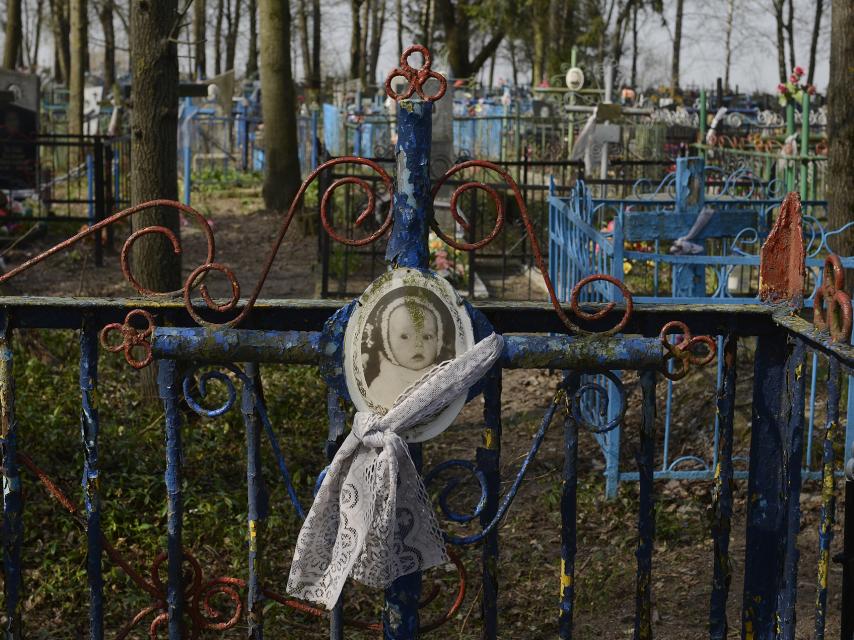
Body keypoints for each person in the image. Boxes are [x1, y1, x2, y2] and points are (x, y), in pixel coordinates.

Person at [364, 295, 449, 409]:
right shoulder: (382, 384)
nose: (418, 344)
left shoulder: (441, 378)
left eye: (427, 336)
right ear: (387, 342)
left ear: (438, 341)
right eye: (405, 336)